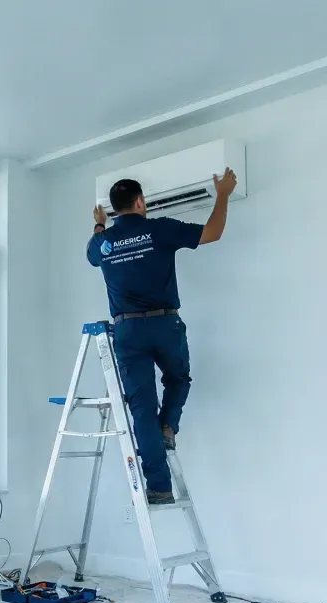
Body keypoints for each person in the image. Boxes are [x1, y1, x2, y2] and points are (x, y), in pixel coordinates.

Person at [86, 169, 237, 504]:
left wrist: (99, 225)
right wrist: (223, 193)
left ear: (113, 209)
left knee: (141, 407)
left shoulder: (103, 241)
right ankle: (168, 426)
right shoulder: (159, 228)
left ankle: (159, 486)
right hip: (163, 323)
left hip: (126, 329)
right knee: (178, 379)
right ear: (140, 202)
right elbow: (212, 233)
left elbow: (95, 254)